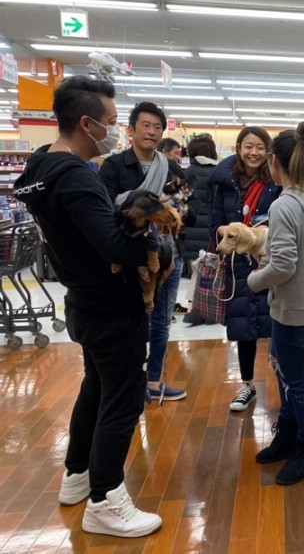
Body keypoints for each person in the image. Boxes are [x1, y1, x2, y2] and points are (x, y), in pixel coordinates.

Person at [13, 76, 165, 537]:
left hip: (83, 300)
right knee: (121, 400)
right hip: (110, 305)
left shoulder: (42, 167)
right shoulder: (77, 177)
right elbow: (116, 245)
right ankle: (106, 499)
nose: (116, 131)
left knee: (96, 388)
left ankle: (77, 475)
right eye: (113, 123)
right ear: (86, 123)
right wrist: (159, 248)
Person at [99, 102, 199, 401]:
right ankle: (128, 385)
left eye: (157, 127)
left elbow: (192, 212)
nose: (152, 132)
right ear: (130, 130)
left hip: (168, 256)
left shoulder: (169, 167)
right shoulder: (114, 166)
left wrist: (175, 211)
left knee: (160, 321)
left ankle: (154, 382)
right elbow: (104, 210)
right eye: (146, 125)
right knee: (130, 322)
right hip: (127, 256)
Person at [247, 121, 304, 485]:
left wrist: (253, 280)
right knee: (286, 373)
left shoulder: (284, 205)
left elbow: (282, 265)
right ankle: (290, 433)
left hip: (290, 307)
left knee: (295, 380)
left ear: (276, 163)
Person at [209, 126, 280, 411]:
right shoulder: (224, 184)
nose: (254, 152)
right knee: (243, 326)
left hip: (269, 260)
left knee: (278, 320)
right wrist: (224, 230)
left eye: (260, 147)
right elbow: (214, 223)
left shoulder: (277, 182)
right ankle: (247, 385)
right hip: (237, 263)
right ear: (238, 148)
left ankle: (284, 382)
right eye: (248, 146)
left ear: (268, 151)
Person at [182, 135, 219, 320]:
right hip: (212, 229)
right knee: (211, 270)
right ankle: (205, 308)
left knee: (196, 270)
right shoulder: (219, 172)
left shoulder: (187, 172)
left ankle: (194, 308)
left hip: (192, 228)